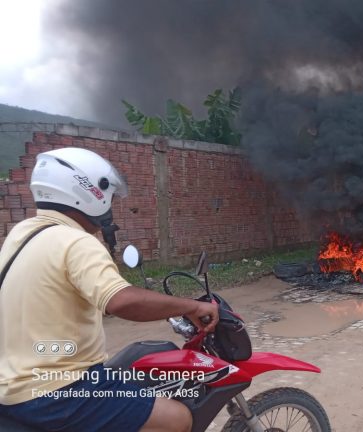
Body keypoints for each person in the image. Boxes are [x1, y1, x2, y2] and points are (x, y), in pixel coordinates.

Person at [0, 148, 220, 432]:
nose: (110, 207)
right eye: (111, 198)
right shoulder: (77, 241)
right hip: (58, 390)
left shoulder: (22, 234)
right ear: (91, 193)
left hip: (13, 383)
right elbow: (120, 300)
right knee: (177, 418)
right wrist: (192, 306)